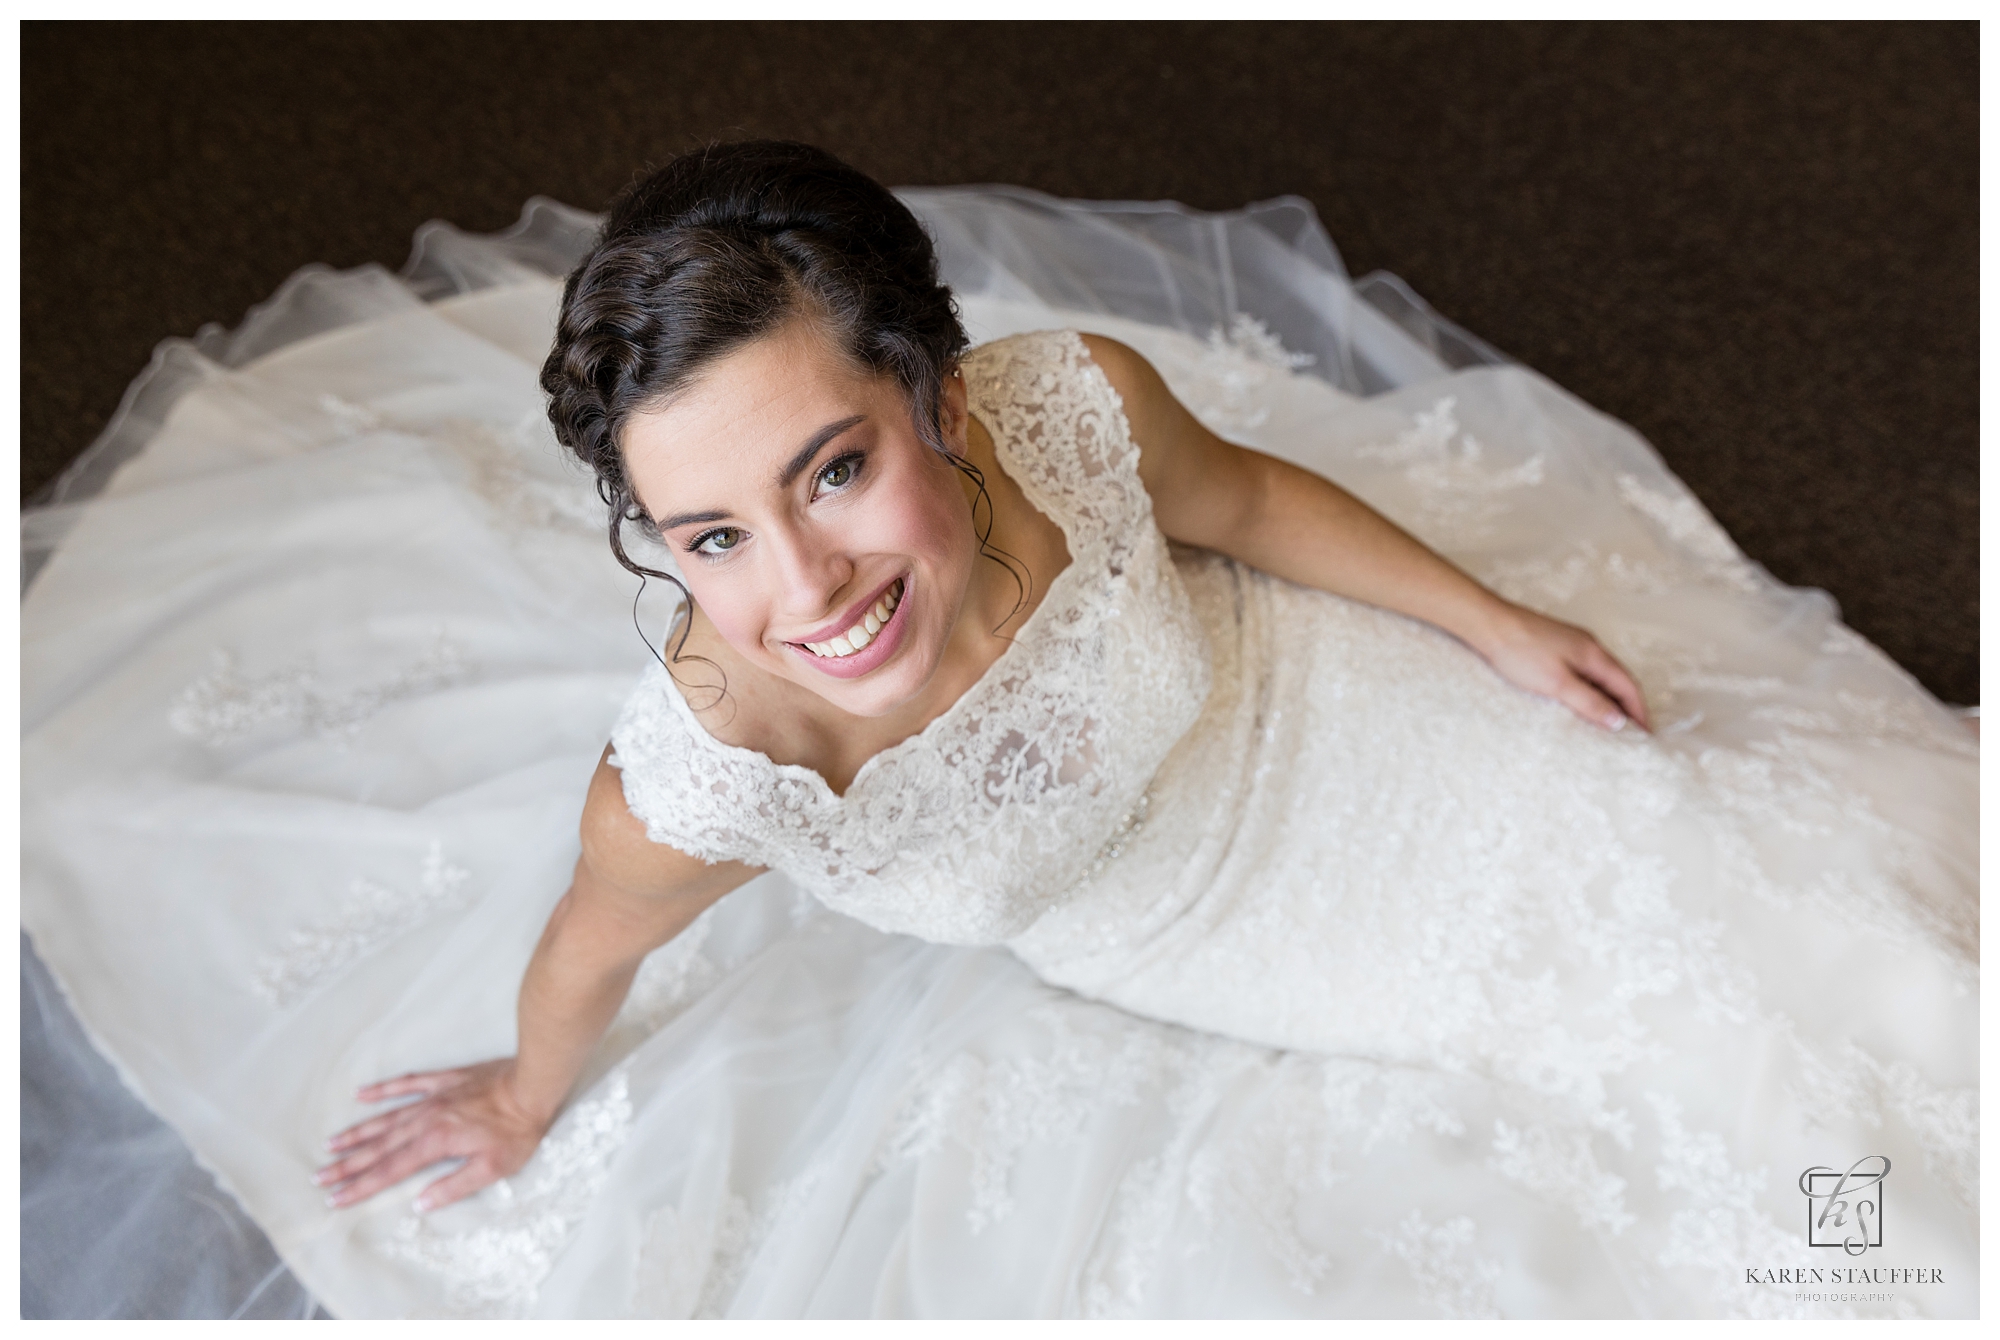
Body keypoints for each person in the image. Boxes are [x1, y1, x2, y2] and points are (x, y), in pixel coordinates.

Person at [21, 142, 1975, 1319]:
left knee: (1753, 883)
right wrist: (525, 1097)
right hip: (1257, 936)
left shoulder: (1072, 408)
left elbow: (1249, 510)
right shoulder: (718, 764)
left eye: (835, 467)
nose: (803, 583)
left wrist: (1493, 620)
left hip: (1333, 713)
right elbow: (590, 940)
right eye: (711, 534)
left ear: (940, 400)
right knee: (1680, 1098)